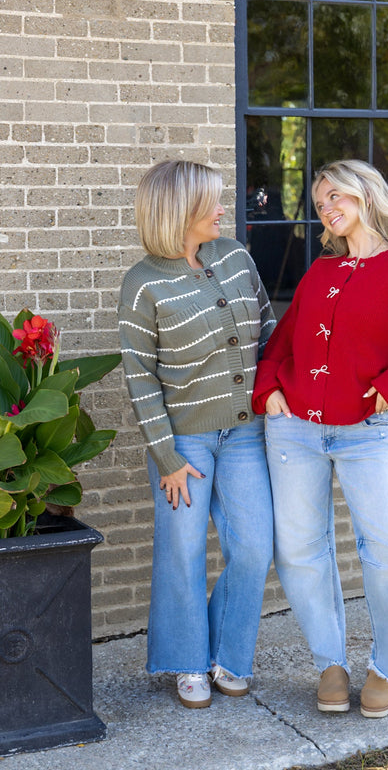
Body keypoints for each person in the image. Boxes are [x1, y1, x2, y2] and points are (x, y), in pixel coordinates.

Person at [252, 159, 388, 718]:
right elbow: (284, 340)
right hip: (294, 429)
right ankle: (329, 662)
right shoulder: (321, 272)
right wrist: (270, 389)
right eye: (320, 200)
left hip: (363, 433)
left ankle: (384, 665)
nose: (326, 206)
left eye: (335, 195)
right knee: (301, 549)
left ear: (365, 194)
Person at [118, 160, 275, 709]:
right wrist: (165, 457)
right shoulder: (143, 284)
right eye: (210, 201)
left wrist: (276, 389)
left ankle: (228, 655)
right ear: (178, 211)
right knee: (182, 554)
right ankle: (187, 662)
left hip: (245, 435)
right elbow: (139, 376)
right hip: (183, 445)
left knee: (254, 547)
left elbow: (268, 328)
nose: (222, 209)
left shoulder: (233, 255)